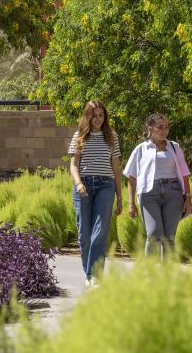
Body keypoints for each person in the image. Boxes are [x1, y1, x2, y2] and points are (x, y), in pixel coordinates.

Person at [68, 100, 122, 286]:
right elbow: (73, 165)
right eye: (94, 115)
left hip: (106, 186)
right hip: (83, 187)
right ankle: (89, 273)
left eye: (101, 115)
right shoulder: (79, 136)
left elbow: (116, 169)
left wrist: (120, 197)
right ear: (87, 116)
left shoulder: (112, 137)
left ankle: (94, 277)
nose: (98, 119)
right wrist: (79, 183)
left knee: (99, 232)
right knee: (84, 235)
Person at [124, 113, 192, 258]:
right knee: (154, 234)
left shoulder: (174, 147)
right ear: (150, 128)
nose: (164, 131)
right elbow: (131, 178)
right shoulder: (141, 149)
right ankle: (150, 276)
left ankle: (166, 277)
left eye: (166, 127)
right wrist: (131, 204)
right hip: (149, 194)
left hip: (173, 193)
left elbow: (185, 174)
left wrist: (188, 198)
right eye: (160, 127)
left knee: (169, 238)